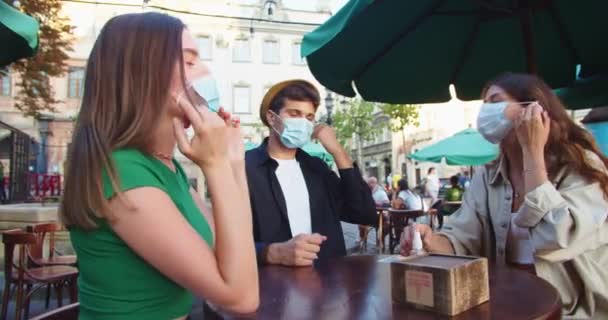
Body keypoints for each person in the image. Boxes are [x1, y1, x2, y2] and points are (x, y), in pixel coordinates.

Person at [60, 13, 258, 319]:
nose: (206, 71)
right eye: (189, 62)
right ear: (142, 74)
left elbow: (233, 252)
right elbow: (241, 297)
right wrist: (216, 165)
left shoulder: (166, 167)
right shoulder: (123, 171)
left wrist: (233, 163)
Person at [401, 73, 608, 319]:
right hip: (506, 304)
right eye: (485, 104)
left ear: (533, 108)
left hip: (571, 309)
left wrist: (532, 151)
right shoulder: (487, 177)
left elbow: (557, 237)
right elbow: (463, 237)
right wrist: (430, 241)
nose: (486, 112)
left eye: (495, 101)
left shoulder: (579, 165)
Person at [246, 79, 377, 267]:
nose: (303, 122)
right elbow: (223, 241)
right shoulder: (244, 168)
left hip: (327, 282)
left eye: (309, 117)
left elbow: (364, 214)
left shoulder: (317, 168)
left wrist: (339, 152)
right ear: (272, 118)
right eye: (294, 114)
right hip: (270, 286)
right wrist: (272, 253)